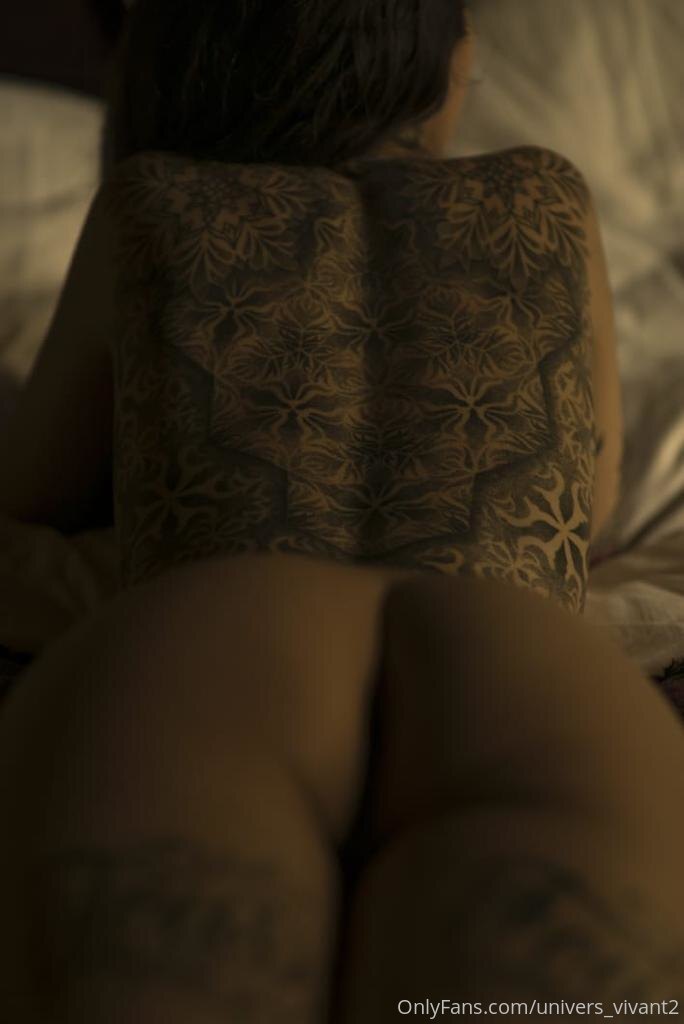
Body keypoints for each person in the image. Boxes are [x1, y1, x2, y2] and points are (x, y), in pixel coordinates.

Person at [0, 2, 682, 1021]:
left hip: (222, 643)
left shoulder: (151, 202)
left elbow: (29, 498)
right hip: (516, 651)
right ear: (452, 58)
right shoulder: (548, 198)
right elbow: (584, 506)